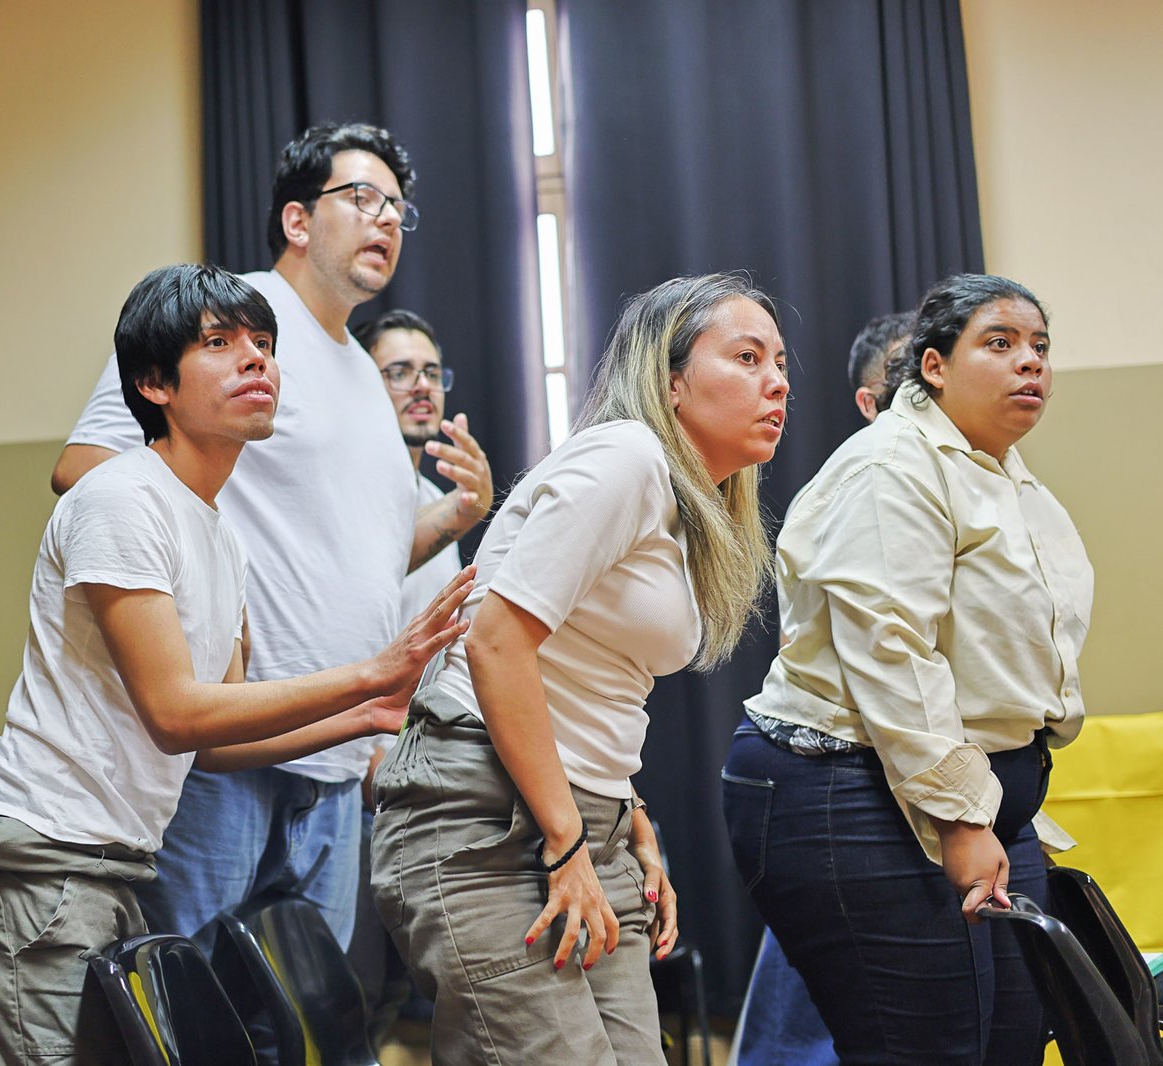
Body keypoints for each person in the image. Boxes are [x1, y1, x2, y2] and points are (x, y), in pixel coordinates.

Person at [0, 263, 472, 1064]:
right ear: (153, 384)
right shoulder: (120, 499)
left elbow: (208, 743)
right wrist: (366, 674)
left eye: (263, 344)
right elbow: (175, 711)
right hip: (27, 856)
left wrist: (362, 717)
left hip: (109, 864)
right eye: (220, 344)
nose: (257, 361)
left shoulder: (217, 534)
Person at [47, 123, 494, 953]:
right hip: (230, 752)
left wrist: (455, 519)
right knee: (197, 1009)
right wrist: (212, 598)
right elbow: (85, 468)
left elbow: (365, 556)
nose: (386, 219)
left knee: (303, 1026)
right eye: (362, 198)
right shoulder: (231, 326)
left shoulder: (365, 374)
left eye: (398, 208)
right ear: (297, 221)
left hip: (332, 756)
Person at [373, 273, 790, 1063]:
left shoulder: (677, 499)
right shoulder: (625, 459)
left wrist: (618, 809)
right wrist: (569, 841)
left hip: (576, 818)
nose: (777, 381)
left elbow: (581, 675)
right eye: (746, 357)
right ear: (671, 383)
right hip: (482, 816)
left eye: (779, 363)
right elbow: (494, 642)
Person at [722, 274, 1090, 1065]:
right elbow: (891, 650)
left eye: (1040, 347)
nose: (1030, 363)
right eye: (1000, 343)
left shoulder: (1001, 475)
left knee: (1015, 1038)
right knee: (930, 1049)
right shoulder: (893, 464)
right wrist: (960, 815)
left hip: (966, 790)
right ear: (932, 367)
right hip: (850, 786)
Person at [730, 308, 912, 1066]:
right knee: (821, 1030)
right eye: (912, 373)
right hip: (844, 775)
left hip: (908, 778)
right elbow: (890, 665)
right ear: (870, 403)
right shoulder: (868, 480)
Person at [345, 308, 463, 1044]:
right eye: (398, 372)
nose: (421, 387)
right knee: (342, 1000)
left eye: (430, 372)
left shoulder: (429, 501)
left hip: (416, 783)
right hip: (361, 780)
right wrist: (369, 763)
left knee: (388, 1000)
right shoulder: (347, 501)